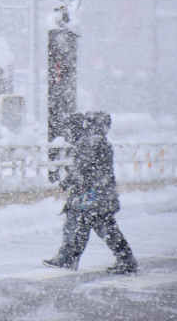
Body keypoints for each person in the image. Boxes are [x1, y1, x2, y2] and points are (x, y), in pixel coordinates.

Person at [44, 111, 138, 274]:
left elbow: (82, 167)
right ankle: (125, 259)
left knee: (81, 224)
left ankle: (68, 258)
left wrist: (66, 183)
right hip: (101, 193)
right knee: (102, 227)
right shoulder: (100, 141)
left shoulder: (91, 141)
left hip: (91, 194)